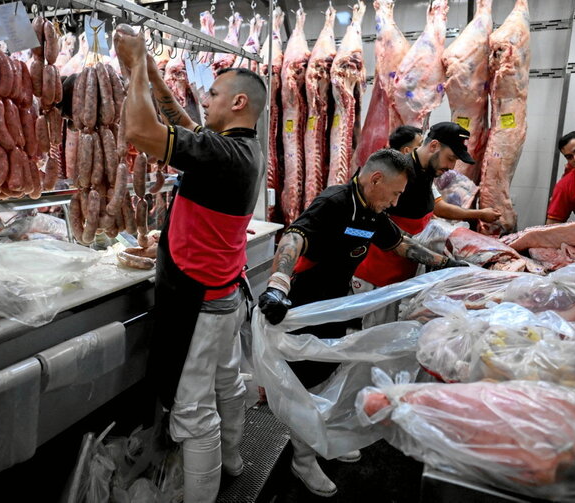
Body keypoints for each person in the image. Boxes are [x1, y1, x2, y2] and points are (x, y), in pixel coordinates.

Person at [114, 28, 267, 503]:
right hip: (224, 295)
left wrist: (138, 64)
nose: (207, 99)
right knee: (228, 383)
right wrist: (158, 79)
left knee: (193, 413)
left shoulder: (226, 155)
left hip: (199, 304)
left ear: (239, 102)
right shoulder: (242, 149)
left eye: (216, 94)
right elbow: (191, 129)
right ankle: (235, 459)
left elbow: (139, 132)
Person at [258, 148, 465, 497]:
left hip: (335, 304)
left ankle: (319, 439)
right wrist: (277, 285)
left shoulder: (371, 210)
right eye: (396, 193)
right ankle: (303, 459)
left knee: (327, 378)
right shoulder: (336, 202)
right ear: (376, 179)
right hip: (303, 305)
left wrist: (444, 263)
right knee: (305, 385)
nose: (397, 201)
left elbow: (400, 244)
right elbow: (294, 237)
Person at [351, 123, 500, 327]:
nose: (452, 166)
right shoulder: (396, 172)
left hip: (402, 268)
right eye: (451, 158)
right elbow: (358, 223)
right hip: (377, 271)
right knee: (374, 335)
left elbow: (433, 209)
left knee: (392, 329)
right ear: (434, 146)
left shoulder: (427, 171)